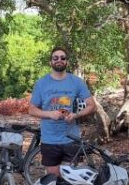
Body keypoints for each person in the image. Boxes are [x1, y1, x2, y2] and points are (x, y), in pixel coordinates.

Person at [29, 47, 96, 175]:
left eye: (62, 58)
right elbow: (31, 109)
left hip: (72, 140)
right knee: (54, 180)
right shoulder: (41, 83)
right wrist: (49, 114)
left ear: (66, 62)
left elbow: (92, 106)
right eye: (55, 58)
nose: (59, 60)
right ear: (50, 62)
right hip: (50, 140)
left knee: (72, 181)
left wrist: (75, 115)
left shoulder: (77, 82)